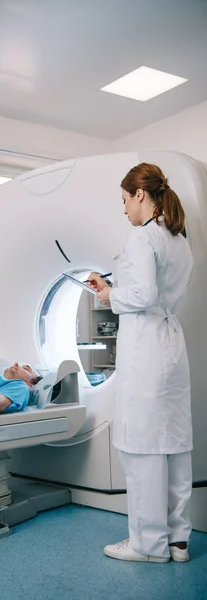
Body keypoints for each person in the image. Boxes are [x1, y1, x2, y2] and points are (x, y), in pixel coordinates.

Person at [88, 163, 193, 564]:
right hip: (170, 344)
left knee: (142, 445)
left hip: (147, 345)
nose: (124, 209)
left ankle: (148, 545)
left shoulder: (142, 236)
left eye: (124, 200)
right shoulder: (178, 239)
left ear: (139, 195)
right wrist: (116, 289)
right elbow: (160, 290)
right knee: (173, 442)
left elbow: (145, 292)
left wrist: (108, 296)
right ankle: (177, 540)